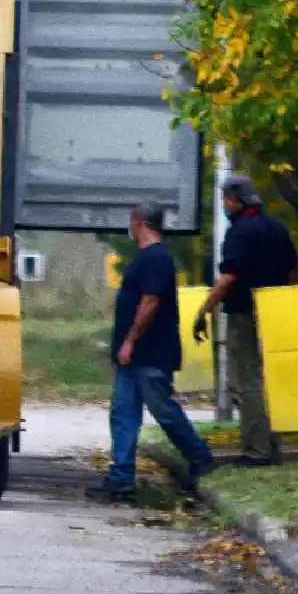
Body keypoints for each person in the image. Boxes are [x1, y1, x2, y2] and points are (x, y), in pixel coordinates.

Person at [86, 202, 215, 502]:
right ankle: (121, 479)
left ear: (139, 221)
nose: (129, 227)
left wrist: (130, 340)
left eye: (131, 221)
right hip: (134, 357)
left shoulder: (156, 258)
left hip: (150, 353)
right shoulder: (146, 257)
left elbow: (151, 302)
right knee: (123, 413)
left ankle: (201, 457)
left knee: (163, 410)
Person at [194, 175, 298, 467]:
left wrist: (203, 311)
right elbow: (292, 268)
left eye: (226, 199)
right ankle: (272, 443)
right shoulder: (277, 228)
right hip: (275, 311)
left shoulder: (239, 233)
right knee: (268, 380)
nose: (225, 205)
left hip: (245, 313)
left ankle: (257, 451)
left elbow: (228, 277)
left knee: (247, 382)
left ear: (233, 200)